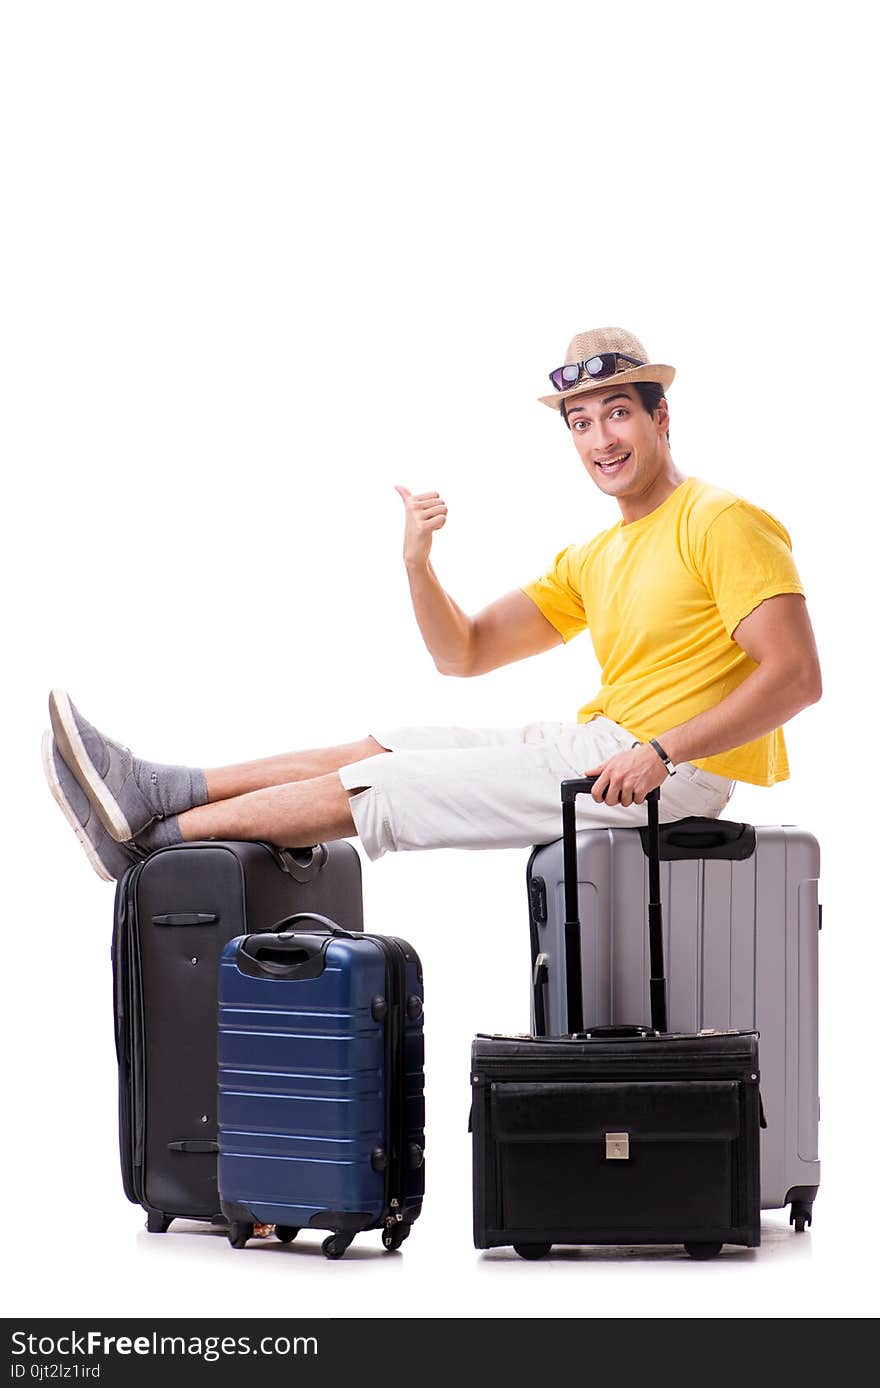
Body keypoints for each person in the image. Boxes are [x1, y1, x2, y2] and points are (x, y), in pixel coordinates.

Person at [43, 326, 822, 881]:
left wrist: (661, 753)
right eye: (581, 423)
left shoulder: (719, 520)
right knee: (387, 747)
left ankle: (151, 842)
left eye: (618, 412)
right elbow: (466, 653)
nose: (600, 440)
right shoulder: (598, 554)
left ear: (660, 416)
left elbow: (794, 677)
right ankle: (158, 790)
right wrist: (418, 565)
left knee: (395, 789)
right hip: (610, 744)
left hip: (672, 773)